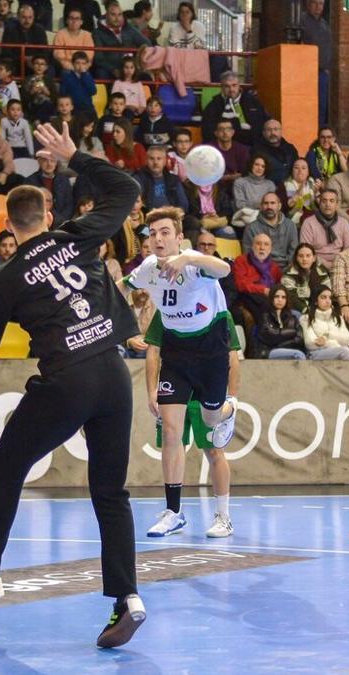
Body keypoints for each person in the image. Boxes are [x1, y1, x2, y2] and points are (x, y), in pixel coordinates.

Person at [0, 122, 147, 647]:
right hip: (113, 374)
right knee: (111, 492)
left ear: (5, 224)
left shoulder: (2, 281)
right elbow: (129, 190)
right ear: (47, 216)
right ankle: (127, 599)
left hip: (66, 380)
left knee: (6, 465)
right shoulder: (77, 235)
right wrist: (75, 157)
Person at [122, 206, 239, 538]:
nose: (157, 239)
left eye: (164, 233)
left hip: (210, 352)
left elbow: (224, 270)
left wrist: (190, 258)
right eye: (152, 234)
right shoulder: (148, 269)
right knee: (171, 432)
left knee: (212, 421)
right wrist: (123, 328)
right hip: (176, 353)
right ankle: (173, 511)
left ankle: (229, 408)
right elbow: (119, 288)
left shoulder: (195, 264)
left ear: (178, 237)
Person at [201, 71, 269, 147]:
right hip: (224, 147)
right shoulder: (213, 106)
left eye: (234, 85)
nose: (231, 89)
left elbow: (265, 123)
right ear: (222, 87)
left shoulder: (253, 102)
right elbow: (207, 132)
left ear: (239, 85)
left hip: (252, 145)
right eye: (227, 86)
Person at [233, 233, 282, 326]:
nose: (262, 247)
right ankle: (266, 331)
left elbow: (279, 286)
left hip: (268, 297)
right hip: (247, 296)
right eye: (258, 243)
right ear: (252, 246)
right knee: (263, 302)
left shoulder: (274, 267)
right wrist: (263, 290)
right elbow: (241, 284)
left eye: (266, 244)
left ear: (270, 249)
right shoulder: (241, 261)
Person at [91, 0, 150, 80]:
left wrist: (137, 62)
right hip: (110, 69)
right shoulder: (97, 33)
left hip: (130, 67)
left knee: (146, 77)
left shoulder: (129, 28)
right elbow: (99, 59)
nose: (117, 18)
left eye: (119, 14)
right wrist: (113, 70)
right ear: (107, 15)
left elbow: (147, 43)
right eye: (113, 14)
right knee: (101, 74)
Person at [300, 189, 349, 266]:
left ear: (336, 205)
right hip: (315, 263)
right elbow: (305, 251)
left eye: (331, 201)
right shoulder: (308, 223)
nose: (327, 204)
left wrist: (338, 264)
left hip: (339, 263)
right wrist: (327, 265)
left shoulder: (344, 223)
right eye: (324, 201)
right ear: (319, 203)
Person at [240, 192, 297, 267]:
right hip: (261, 269)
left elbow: (294, 251)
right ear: (261, 206)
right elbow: (248, 255)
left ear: (279, 206)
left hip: (286, 269)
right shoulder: (251, 228)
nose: (269, 206)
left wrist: (288, 270)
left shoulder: (290, 225)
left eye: (273, 203)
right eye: (266, 203)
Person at [299, 0, 332, 125]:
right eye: (315, 3)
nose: (318, 7)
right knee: (306, 104)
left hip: (322, 71)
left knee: (322, 105)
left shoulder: (324, 24)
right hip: (306, 71)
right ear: (308, 4)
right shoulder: (301, 21)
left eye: (321, 4)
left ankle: (320, 134)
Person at [302, 286, 349, 360]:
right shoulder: (306, 319)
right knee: (344, 351)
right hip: (315, 353)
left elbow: (347, 339)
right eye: (323, 297)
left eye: (329, 297)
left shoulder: (338, 318)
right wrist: (333, 344)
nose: (328, 301)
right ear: (315, 301)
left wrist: (326, 338)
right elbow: (310, 343)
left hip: (339, 350)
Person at [24, 151, 76, 225]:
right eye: (45, 160)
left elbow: (69, 204)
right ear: (39, 162)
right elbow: (30, 206)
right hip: (40, 221)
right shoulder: (30, 181)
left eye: (52, 161)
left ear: (56, 163)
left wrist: (62, 219)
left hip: (63, 222)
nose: (49, 164)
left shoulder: (64, 180)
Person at [256, 285, 306, 359]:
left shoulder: (292, 317)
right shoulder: (264, 315)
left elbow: (300, 339)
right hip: (268, 351)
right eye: (276, 296)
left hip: (288, 349)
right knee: (298, 355)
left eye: (283, 297)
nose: (280, 300)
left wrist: (281, 343)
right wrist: (292, 332)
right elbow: (270, 336)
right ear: (271, 298)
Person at [281, 243, 330, 313]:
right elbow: (291, 297)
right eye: (301, 256)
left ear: (314, 258)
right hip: (298, 309)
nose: (304, 259)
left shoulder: (321, 271)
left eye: (308, 256)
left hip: (319, 307)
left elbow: (327, 292)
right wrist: (306, 310)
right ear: (296, 258)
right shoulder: (289, 273)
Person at [254, 119, 300, 186]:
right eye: (269, 130)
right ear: (264, 133)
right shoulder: (257, 151)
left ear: (281, 131)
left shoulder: (290, 149)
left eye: (276, 129)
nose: (272, 133)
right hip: (269, 190)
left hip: (291, 188)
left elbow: (297, 167)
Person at [281, 158, 321, 223]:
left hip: (313, 218)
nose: (300, 170)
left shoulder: (312, 183)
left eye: (303, 168)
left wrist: (316, 193)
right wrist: (297, 193)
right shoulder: (284, 185)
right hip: (291, 221)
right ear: (292, 171)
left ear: (308, 172)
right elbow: (285, 207)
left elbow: (322, 205)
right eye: (296, 168)